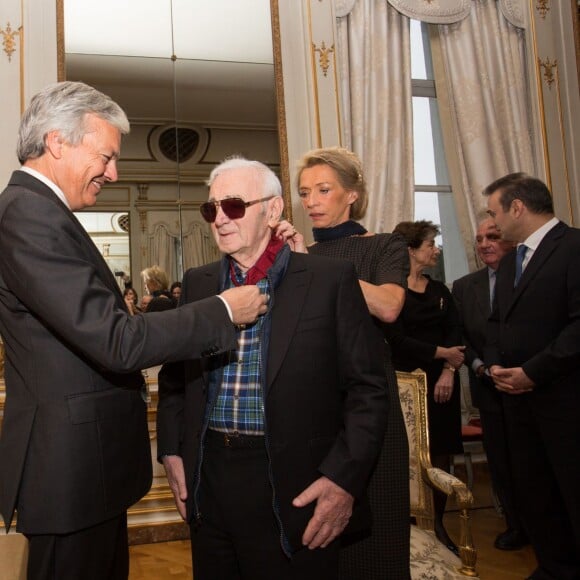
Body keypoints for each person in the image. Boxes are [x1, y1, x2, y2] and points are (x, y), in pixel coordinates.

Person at [0, 81, 267, 580]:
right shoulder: (30, 215)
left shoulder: (43, 214)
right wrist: (222, 311)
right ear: (58, 142)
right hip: (69, 473)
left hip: (85, 469)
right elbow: (116, 341)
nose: (113, 172)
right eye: (105, 156)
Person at [156, 156, 388, 580]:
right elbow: (176, 377)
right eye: (212, 209)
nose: (220, 220)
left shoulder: (329, 279)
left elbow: (368, 390)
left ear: (274, 210)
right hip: (210, 478)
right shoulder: (199, 282)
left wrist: (343, 480)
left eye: (234, 206)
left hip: (296, 482)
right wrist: (171, 450)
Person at [294, 146, 410, 579]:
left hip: (370, 408)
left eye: (323, 190)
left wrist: (311, 268)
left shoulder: (385, 246)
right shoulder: (298, 255)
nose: (311, 201)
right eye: (305, 193)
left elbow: (389, 306)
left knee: (377, 541)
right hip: (313, 408)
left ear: (352, 195)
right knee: (317, 539)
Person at [483, 172, 580, 580]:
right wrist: (494, 367)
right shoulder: (510, 263)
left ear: (517, 207)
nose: (492, 223)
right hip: (517, 404)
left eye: (494, 212)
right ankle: (555, 567)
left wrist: (533, 373)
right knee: (537, 495)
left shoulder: (574, 247)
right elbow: (496, 325)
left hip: (567, 400)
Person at [389, 220, 465, 555]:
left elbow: (456, 333)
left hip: (441, 385)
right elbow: (396, 340)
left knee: (441, 454)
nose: (436, 250)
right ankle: (406, 527)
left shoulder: (440, 292)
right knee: (405, 457)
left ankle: (437, 524)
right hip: (403, 386)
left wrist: (448, 368)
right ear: (411, 249)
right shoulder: (392, 292)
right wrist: (439, 353)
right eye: (431, 244)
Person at [451, 217, 527, 551]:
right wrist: (480, 367)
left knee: (535, 463)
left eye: (492, 236)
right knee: (502, 464)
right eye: (479, 238)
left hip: (533, 388)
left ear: (510, 240)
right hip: (489, 389)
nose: (484, 244)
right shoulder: (465, 286)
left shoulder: (530, 276)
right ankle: (515, 526)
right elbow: (461, 337)